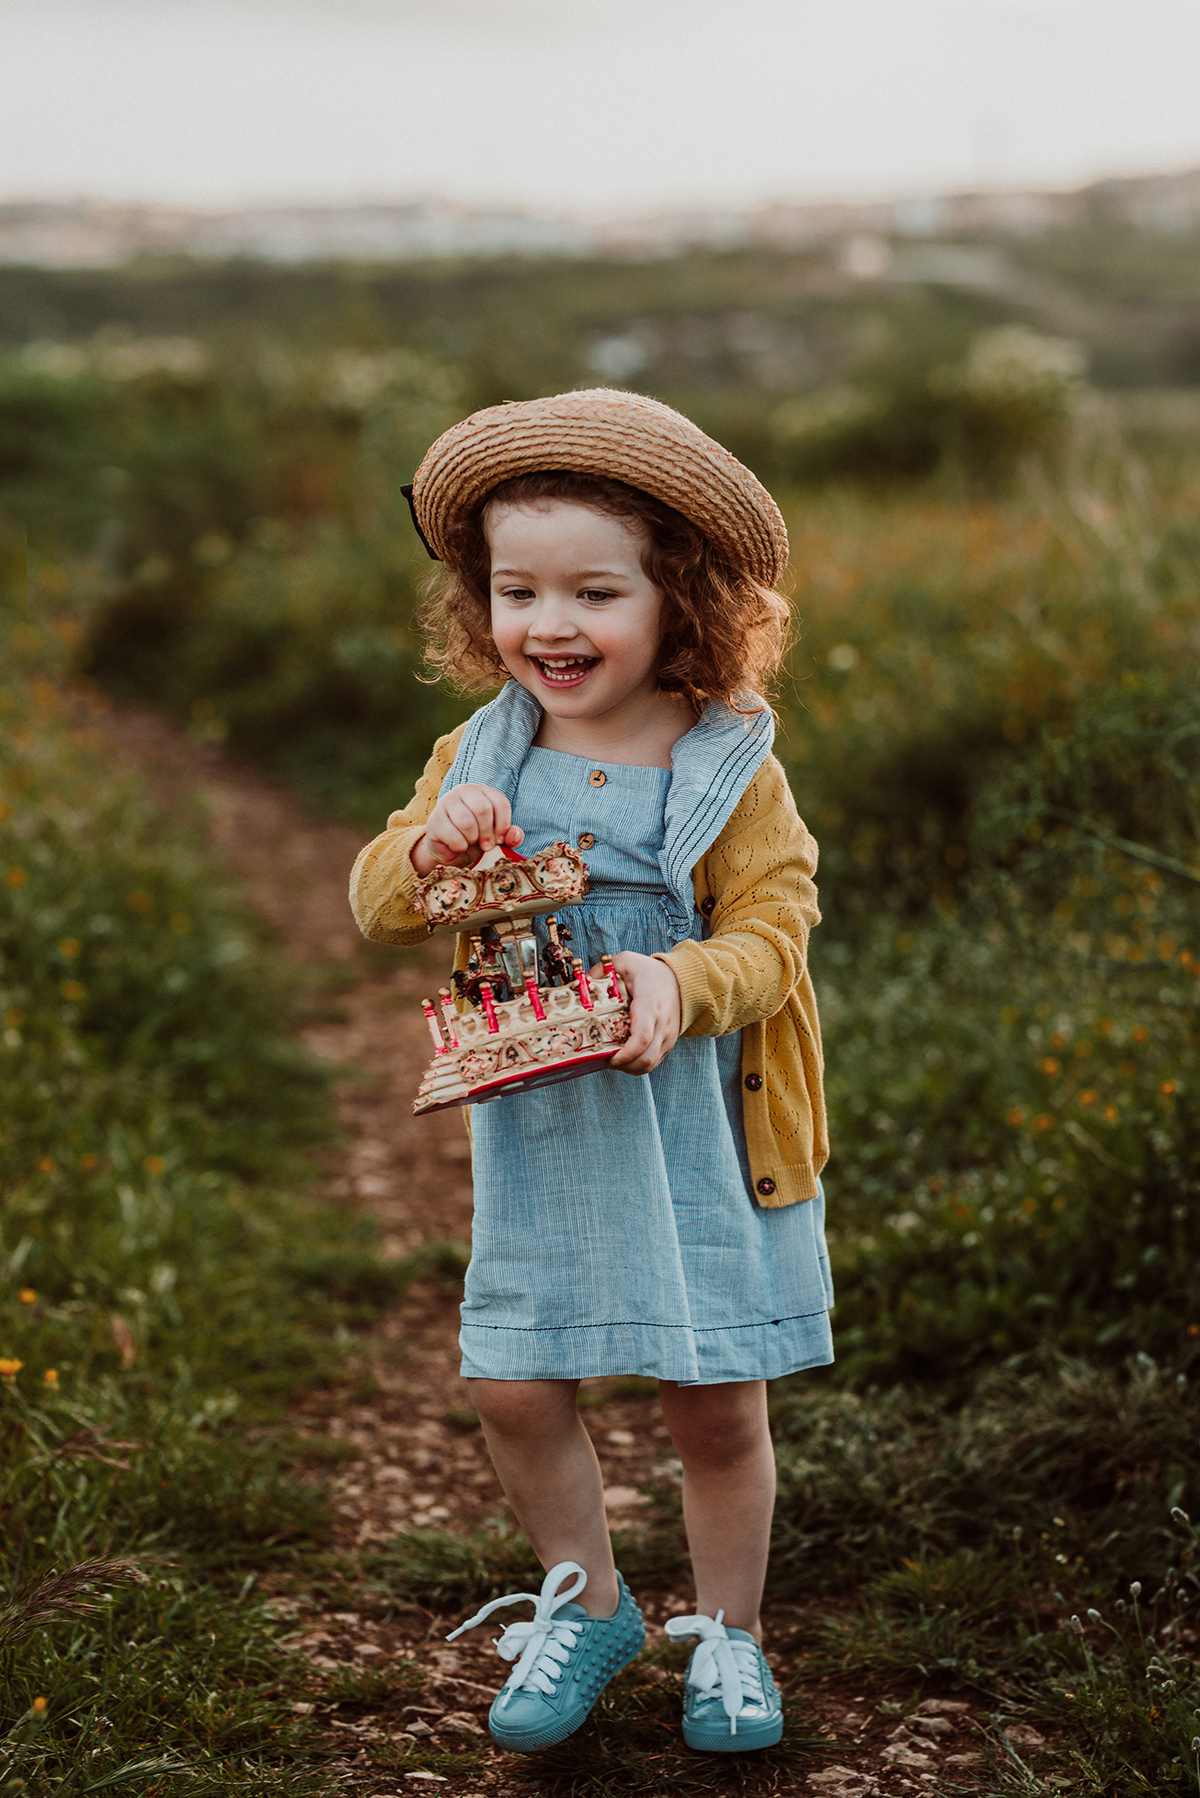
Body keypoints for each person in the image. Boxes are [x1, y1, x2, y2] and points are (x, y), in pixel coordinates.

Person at [349, 389, 831, 1758]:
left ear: (680, 598)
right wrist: (432, 851)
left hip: (696, 1130)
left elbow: (777, 931)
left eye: (593, 590)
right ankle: (592, 1597)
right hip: (548, 1133)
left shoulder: (728, 758)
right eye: (516, 590)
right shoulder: (482, 752)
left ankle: (731, 1636)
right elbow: (377, 901)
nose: (548, 623)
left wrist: (682, 978)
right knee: (514, 1379)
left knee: (712, 1401)